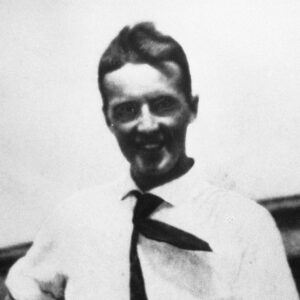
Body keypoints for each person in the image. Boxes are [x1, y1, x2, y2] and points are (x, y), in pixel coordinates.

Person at [5, 22, 298, 300]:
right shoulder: (75, 219)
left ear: (191, 109)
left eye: (163, 105)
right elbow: (22, 284)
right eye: (127, 110)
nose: (146, 125)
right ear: (109, 119)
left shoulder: (244, 225)